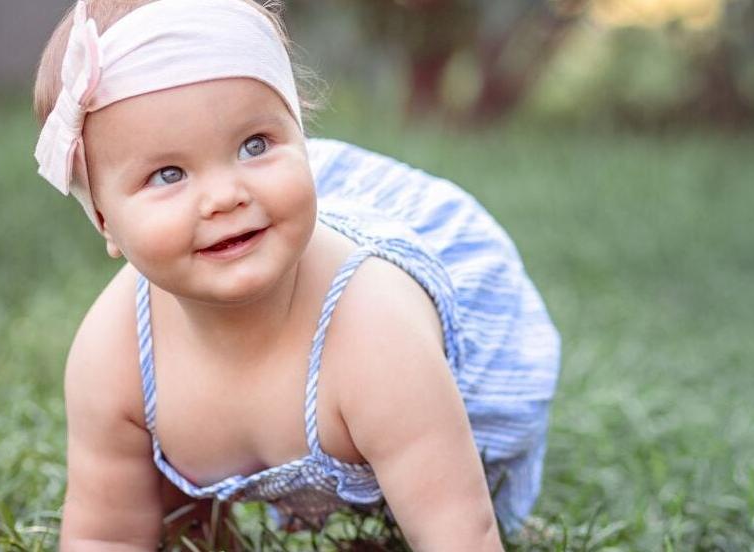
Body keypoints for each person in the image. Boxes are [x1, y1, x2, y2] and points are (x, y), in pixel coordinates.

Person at [32, 0, 561, 549]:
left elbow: (459, 534)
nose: (225, 196)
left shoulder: (376, 335)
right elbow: (105, 536)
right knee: (157, 508)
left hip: (432, 404)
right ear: (104, 220)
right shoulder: (114, 355)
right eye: (168, 174)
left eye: (254, 145)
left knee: (437, 491)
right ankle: (200, 525)